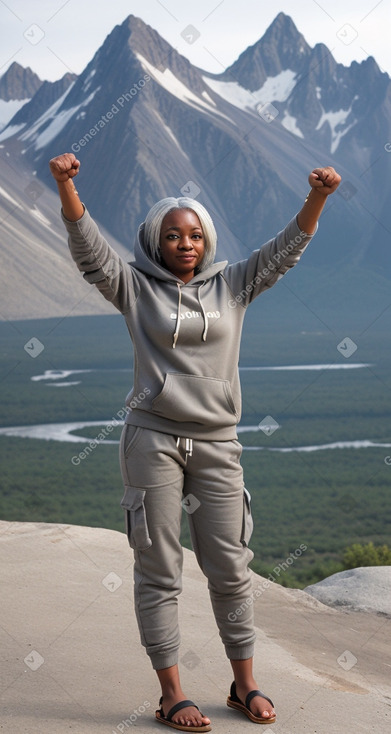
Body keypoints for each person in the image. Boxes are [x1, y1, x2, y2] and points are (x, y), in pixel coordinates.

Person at [49, 153, 341, 732]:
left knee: (231, 566)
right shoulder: (133, 286)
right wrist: (67, 185)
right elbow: (89, 251)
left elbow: (287, 249)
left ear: (207, 241)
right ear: (156, 243)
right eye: (174, 235)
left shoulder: (234, 284)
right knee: (159, 569)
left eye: (196, 234)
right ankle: (171, 694)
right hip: (151, 440)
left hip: (218, 443)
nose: (186, 243)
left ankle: (244, 684)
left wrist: (319, 196)